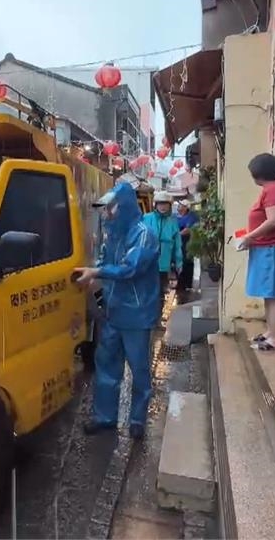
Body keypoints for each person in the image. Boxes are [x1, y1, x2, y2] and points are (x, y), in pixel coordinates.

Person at [74, 182, 160, 440]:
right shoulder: (113, 234)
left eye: (110, 209)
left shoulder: (144, 234)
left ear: (122, 207)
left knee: (139, 369)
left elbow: (130, 268)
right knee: (107, 366)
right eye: (105, 209)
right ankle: (105, 417)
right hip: (112, 311)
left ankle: (137, 420)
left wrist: (97, 272)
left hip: (137, 314)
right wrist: (93, 275)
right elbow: (104, 261)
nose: (106, 214)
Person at [235, 153, 275, 352]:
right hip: (267, 248)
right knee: (268, 295)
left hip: (272, 249)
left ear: (259, 173)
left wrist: (250, 236)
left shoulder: (274, 191)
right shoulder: (272, 190)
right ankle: (271, 331)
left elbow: (274, 220)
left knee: (273, 293)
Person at [142, 191, 183, 323]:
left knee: (159, 293)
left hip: (163, 264)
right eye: (160, 204)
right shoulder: (146, 218)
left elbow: (177, 244)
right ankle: (145, 316)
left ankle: (156, 318)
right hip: (147, 263)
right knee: (146, 291)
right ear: (156, 205)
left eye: (165, 204)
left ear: (170, 206)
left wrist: (179, 262)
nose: (163, 207)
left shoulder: (172, 222)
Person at [175, 199, 198, 297]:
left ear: (185, 207)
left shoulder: (191, 217)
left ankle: (187, 284)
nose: (179, 207)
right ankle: (180, 283)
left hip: (187, 242)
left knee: (187, 262)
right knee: (179, 261)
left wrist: (177, 235)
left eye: (181, 205)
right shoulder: (175, 217)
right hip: (178, 242)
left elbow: (188, 230)